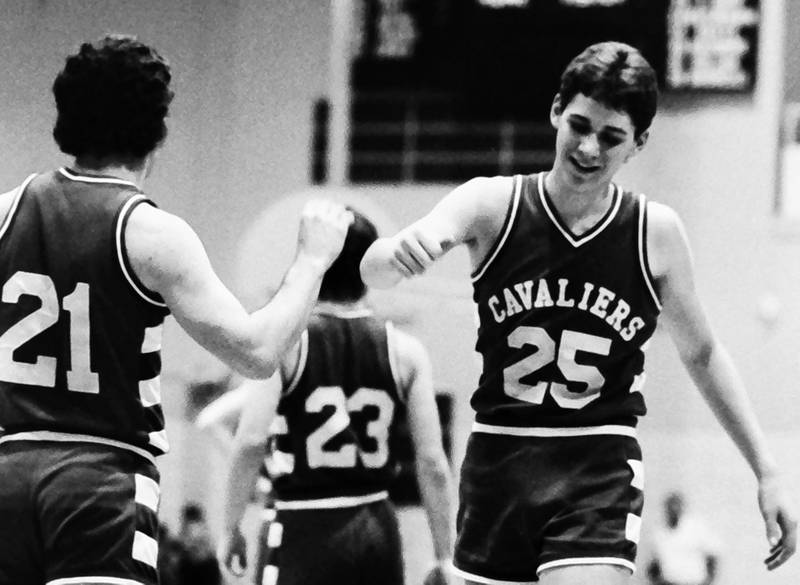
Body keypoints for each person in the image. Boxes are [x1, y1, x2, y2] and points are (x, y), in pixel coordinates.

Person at [360, 41, 797, 585]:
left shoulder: (653, 233)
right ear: (555, 112)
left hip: (596, 468)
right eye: (579, 126)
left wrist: (767, 470)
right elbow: (373, 273)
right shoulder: (490, 205)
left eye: (611, 138)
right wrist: (402, 250)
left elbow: (703, 353)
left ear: (638, 143)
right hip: (499, 463)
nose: (589, 148)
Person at [0, 34, 350, 585]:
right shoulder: (152, 233)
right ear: (157, 131)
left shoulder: (4, 212)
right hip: (98, 480)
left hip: (7, 469)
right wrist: (311, 260)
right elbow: (258, 353)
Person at [217, 208, 456, 585]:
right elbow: (433, 464)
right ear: (370, 265)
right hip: (376, 525)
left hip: (302, 525)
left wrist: (229, 528)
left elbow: (249, 442)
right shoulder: (406, 351)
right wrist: (445, 556)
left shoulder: (287, 343)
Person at [646, 492, 722, 585]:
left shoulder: (696, 528)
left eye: (676, 506)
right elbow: (654, 564)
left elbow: (712, 555)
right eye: (670, 507)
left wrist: (708, 581)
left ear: (682, 507)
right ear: (666, 509)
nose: (673, 510)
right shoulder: (659, 533)